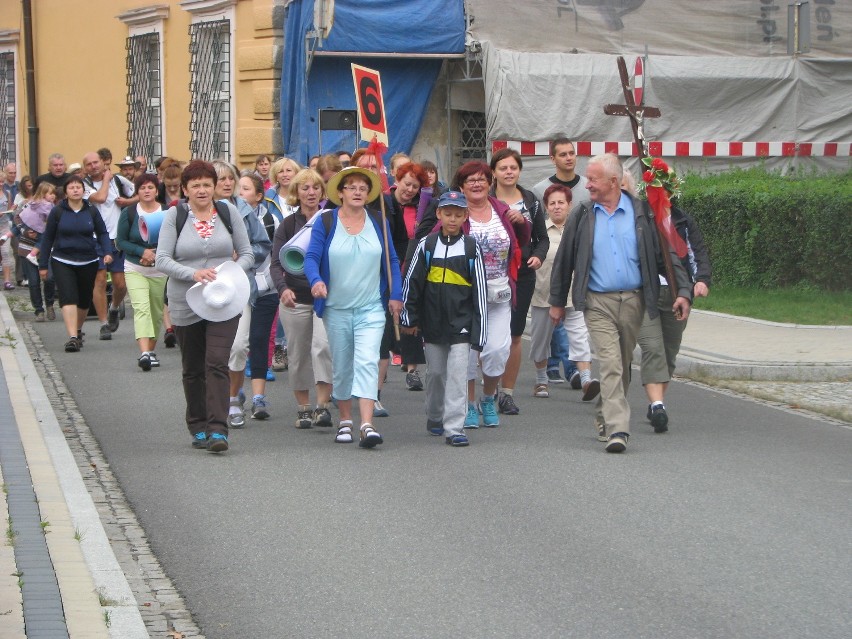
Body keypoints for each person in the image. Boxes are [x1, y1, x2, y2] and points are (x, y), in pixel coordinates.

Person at [549, 153, 692, 453]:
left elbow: (666, 255)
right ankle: (618, 429)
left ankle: (605, 412)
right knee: (611, 362)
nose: (587, 185)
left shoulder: (643, 213)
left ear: (614, 182)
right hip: (596, 300)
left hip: (634, 300)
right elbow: (564, 261)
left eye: (593, 179)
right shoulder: (584, 214)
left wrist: (683, 292)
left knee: (623, 364)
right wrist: (557, 301)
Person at [413, 161, 531, 428]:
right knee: (465, 356)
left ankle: (489, 397)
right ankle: (467, 404)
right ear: (461, 186)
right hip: (464, 297)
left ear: (490, 182)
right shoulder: (453, 213)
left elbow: (521, 240)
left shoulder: (502, 209)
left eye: (482, 179)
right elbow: (430, 244)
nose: (477, 184)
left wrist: (521, 223)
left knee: (497, 351)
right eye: (470, 180)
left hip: (499, 291)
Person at [154, 160, 254, 453]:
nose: (202, 190)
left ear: (215, 187)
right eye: (195, 185)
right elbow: (162, 259)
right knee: (193, 367)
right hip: (186, 301)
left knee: (217, 362)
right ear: (184, 189)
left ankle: (217, 430)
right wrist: (193, 274)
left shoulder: (228, 212)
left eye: (206, 184)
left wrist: (230, 271)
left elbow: (247, 253)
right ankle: (197, 425)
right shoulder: (175, 216)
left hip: (224, 300)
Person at [303, 166, 403, 448]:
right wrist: (316, 280)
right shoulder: (325, 221)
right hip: (336, 308)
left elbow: (392, 260)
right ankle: (345, 421)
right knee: (343, 365)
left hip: (371, 307)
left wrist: (395, 293)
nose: (358, 192)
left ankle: (366, 424)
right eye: (352, 187)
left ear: (369, 194)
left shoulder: (379, 221)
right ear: (340, 192)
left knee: (368, 361)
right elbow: (311, 258)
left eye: (363, 187)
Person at [401, 190, 487, 447]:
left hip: (462, 323)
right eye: (447, 213)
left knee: (458, 374)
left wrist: (479, 334)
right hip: (433, 322)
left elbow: (480, 291)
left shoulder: (472, 247)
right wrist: (409, 318)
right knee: (437, 373)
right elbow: (412, 283)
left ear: (465, 216)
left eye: (458, 214)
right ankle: (435, 415)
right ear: (438, 214)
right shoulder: (426, 245)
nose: (452, 219)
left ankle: (454, 427)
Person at [635, 160, 711, 432]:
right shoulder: (641, 218)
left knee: (668, 353)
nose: (662, 194)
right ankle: (658, 407)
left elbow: (697, 252)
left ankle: (657, 402)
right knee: (652, 349)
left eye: (666, 189)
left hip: (679, 292)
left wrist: (700, 281)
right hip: (647, 291)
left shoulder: (682, 219)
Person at [270, 168, 334, 428]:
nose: (311, 192)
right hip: (294, 297)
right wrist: (282, 289)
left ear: (322, 191)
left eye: (316, 187)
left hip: (324, 297)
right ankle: (303, 407)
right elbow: (275, 263)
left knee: (323, 348)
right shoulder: (288, 225)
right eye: (305, 188)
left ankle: (322, 406)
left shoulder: (330, 220)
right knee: (297, 355)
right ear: (296, 193)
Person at [211, 161, 272, 429]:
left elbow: (262, 245)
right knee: (212, 350)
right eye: (221, 179)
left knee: (237, 346)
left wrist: (242, 260)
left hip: (240, 286)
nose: (226, 183)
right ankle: (214, 399)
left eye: (230, 179)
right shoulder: (195, 211)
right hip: (207, 286)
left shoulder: (245, 210)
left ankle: (233, 397)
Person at [488, 148, 548, 415]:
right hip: (488, 274)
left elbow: (542, 238)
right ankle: (486, 388)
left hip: (522, 273)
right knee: (486, 335)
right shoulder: (483, 199)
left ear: (519, 171)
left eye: (513, 168)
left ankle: (507, 393)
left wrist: (537, 256)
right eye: (503, 168)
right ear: (494, 172)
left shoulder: (531, 200)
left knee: (514, 333)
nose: (509, 172)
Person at [528, 184, 599, 399]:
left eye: (561, 203)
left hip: (573, 295)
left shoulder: (579, 230)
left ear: (570, 205)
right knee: (540, 339)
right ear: (546, 207)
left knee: (579, 336)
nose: (557, 207)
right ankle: (541, 380)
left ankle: (586, 379)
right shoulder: (539, 233)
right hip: (543, 295)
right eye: (552, 203)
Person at [37, 175, 113, 352]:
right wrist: (42, 265)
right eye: (71, 187)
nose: (75, 190)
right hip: (62, 259)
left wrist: (107, 252)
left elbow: (102, 233)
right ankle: (72, 337)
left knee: (84, 300)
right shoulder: (58, 212)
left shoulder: (91, 211)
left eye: (78, 187)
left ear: (84, 191)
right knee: (68, 296)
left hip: (88, 259)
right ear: (65, 192)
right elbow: (48, 239)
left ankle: (78, 330)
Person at [384, 161, 432, 391]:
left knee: (411, 314)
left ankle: (412, 369)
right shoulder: (384, 203)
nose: (410, 190)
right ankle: (382, 362)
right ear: (397, 181)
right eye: (407, 184)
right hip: (386, 266)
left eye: (415, 186)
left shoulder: (423, 207)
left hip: (413, 264)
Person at [236, 172, 279, 420]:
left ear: (259, 196)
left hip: (265, 287)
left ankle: (258, 398)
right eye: (238, 189)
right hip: (237, 289)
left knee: (259, 339)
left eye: (246, 189)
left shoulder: (271, 220)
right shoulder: (228, 217)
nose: (240, 193)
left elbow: (273, 251)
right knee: (238, 344)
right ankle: (236, 391)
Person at [115, 173, 168, 371]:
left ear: (156, 190)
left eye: (150, 187)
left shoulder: (166, 212)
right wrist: (141, 251)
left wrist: (155, 253)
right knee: (141, 308)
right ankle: (144, 353)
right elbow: (120, 241)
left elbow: (174, 238)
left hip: (159, 269)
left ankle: (151, 351)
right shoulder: (129, 213)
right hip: (134, 268)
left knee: (155, 312)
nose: (146, 191)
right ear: (137, 191)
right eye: (143, 188)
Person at [82, 151, 137, 340]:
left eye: (96, 162)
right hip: (95, 238)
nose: (93, 166)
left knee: (121, 284)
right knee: (98, 280)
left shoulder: (120, 181)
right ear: (85, 168)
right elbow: (100, 198)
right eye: (89, 164)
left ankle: (114, 308)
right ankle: (104, 323)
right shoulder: (84, 185)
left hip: (117, 237)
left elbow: (140, 194)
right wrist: (106, 179)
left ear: (103, 162)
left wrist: (127, 201)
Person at [15, 182, 57, 320]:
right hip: (27, 247)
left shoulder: (53, 208)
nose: (53, 196)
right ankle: (39, 310)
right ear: (42, 192)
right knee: (33, 282)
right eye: (50, 193)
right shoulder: (28, 204)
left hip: (47, 248)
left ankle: (49, 303)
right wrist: (25, 231)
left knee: (49, 278)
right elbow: (17, 218)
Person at [531, 137, 591, 203]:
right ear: (553, 159)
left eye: (571, 153)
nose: (569, 158)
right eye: (563, 155)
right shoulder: (540, 190)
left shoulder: (589, 187)